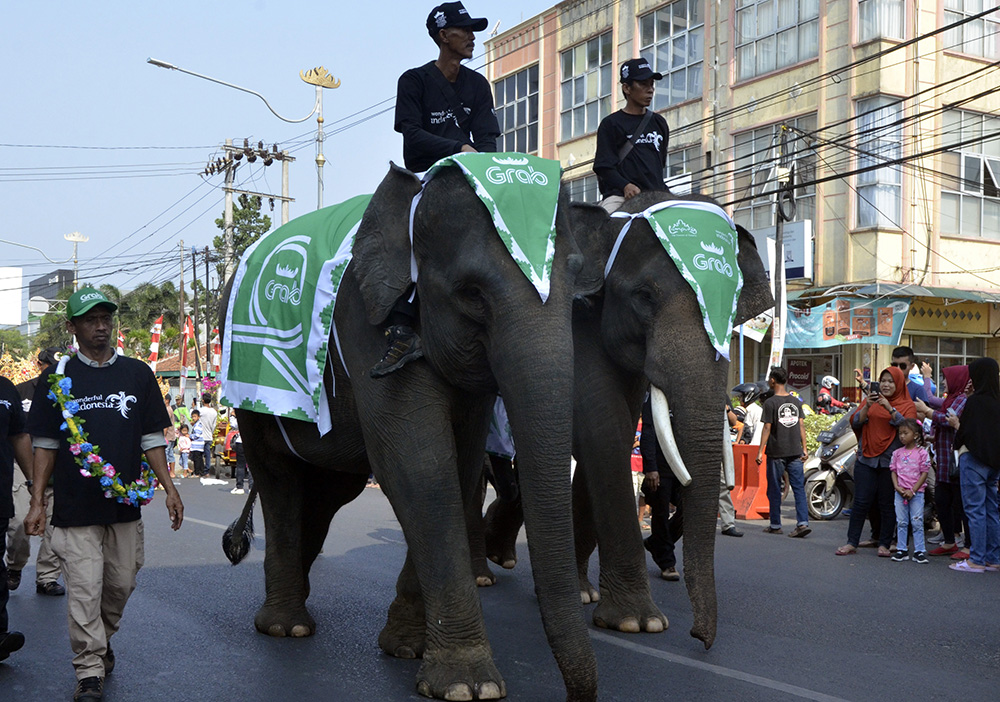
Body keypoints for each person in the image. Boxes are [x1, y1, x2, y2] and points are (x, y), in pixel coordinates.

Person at [23, 287, 183, 702]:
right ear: (72, 326)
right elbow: (45, 444)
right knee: (84, 589)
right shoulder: (56, 380)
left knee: (121, 584)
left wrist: (170, 489)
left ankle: (102, 637)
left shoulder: (137, 374)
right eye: (90, 320)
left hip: (125, 506)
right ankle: (89, 670)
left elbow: (151, 437)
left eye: (105, 319)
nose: (100, 327)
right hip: (76, 507)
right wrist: (38, 501)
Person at [372, 1, 500, 379]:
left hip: (471, 178)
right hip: (425, 178)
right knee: (411, 234)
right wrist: (457, 149)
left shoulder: (477, 84)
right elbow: (411, 134)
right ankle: (401, 323)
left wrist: (485, 166)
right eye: (466, 30)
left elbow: (488, 137)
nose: (473, 36)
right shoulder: (413, 80)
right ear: (444, 36)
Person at [836, 366, 916, 557]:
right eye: (883, 381)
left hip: (891, 462)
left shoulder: (907, 404)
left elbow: (909, 428)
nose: (886, 385)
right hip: (866, 458)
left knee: (887, 504)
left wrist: (890, 409)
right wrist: (867, 407)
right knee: (861, 502)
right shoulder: (870, 400)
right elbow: (856, 423)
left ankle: (884, 543)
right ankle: (851, 542)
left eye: (891, 381)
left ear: (898, 384)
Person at [7, 346, 66, 596]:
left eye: (59, 368)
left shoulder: (71, 393)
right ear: (39, 365)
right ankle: (14, 565)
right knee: (20, 521)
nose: (53, 372)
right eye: (49, 367)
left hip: (58, 467)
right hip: (24, 466)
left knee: (56, 528)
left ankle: (46, 578)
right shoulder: (19, 392)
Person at [593, 58, 670, 214]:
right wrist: (625, 185)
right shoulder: (611, 124)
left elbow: (659, 164)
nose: (650, 90)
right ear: (627, 88)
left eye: (651, 84)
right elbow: (603, 167)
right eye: (643, 84)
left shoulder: (659, 123)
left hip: (657, 197)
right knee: (604, 227)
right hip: (621, 197)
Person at [948, 357, 1000, 573]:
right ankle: (992, 558)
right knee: (991, 510)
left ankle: (976, 559)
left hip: (973, 460)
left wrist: (957, 425)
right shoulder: (997, 400)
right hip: (994, 463)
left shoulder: (975, 402)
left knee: (975, 510)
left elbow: (964, 432)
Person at [914, 365, 970, 558]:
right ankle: (949, 542)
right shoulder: (951, 399)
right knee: (942, 501)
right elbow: (932, 403)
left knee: (960, 505)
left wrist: (927, 412)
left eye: (946, 378)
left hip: (955, 462)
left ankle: (968, 546)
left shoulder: (962, 399)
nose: (945, 382)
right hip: (944, 461)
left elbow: (948, 419)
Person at [756, 367, 811, 538]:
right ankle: (802, 524)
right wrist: (805, 448)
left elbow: (767, 427)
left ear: (773, 380)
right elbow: (801, 425)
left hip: (776, 452)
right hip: (795, 452)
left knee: (774, 488)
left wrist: (760, 451)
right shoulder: (795, 402)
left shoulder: (770, 403)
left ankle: (775, 524)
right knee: (798, 489)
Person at [1, 373, 32, 663]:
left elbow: (19, 435)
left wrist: (34, 483)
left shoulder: (5, 388)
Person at [639, 394, 681, 581]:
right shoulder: (654, 396)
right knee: (661, 513)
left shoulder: (686, 396)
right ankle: (666, 561)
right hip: (660, 469)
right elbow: (648, 432)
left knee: (689, 510)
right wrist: (651, 468)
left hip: (682, 468)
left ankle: (657, 542)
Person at [889, 419, 931, 563]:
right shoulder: (896, 453)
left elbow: (924, 473)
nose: (902, 436)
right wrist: (896, 486)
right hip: (900, 493)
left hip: (917, 493)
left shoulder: (922, 453)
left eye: (905, 433)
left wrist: (913, 490)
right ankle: (902, 549)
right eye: (900, 433)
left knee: (917, 521)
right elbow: (893, 471)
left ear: (915, 435)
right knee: (901, 521)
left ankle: (919, 550)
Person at [228, 413, 251, 495]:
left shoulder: (242, 417)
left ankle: (239, 487)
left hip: (241, 442)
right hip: (252, 443)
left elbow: (234, 425)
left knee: (240, 465)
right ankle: (251, 487)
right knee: (251, 466)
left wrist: (232, 416)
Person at [198, 393, 217, 477]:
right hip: (209, 435)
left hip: (201, 436)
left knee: (199, 454)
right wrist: (211, 432)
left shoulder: (200, 410)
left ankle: (200, 470)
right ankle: (207, 471)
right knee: (208, 454)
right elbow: (214, 425)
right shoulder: (214, 412)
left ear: (203, 400)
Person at [189, 410, 206, 478]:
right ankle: (201, 472)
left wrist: (190, 436)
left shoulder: (198, 425)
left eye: (195, 416)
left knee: (197, 460)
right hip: (198, 445)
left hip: (197, 445)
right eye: (192, 417)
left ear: (198, 417)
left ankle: (197, 473)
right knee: (200, 459)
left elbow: (197, 435)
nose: (193, 418)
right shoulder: (196, 424)